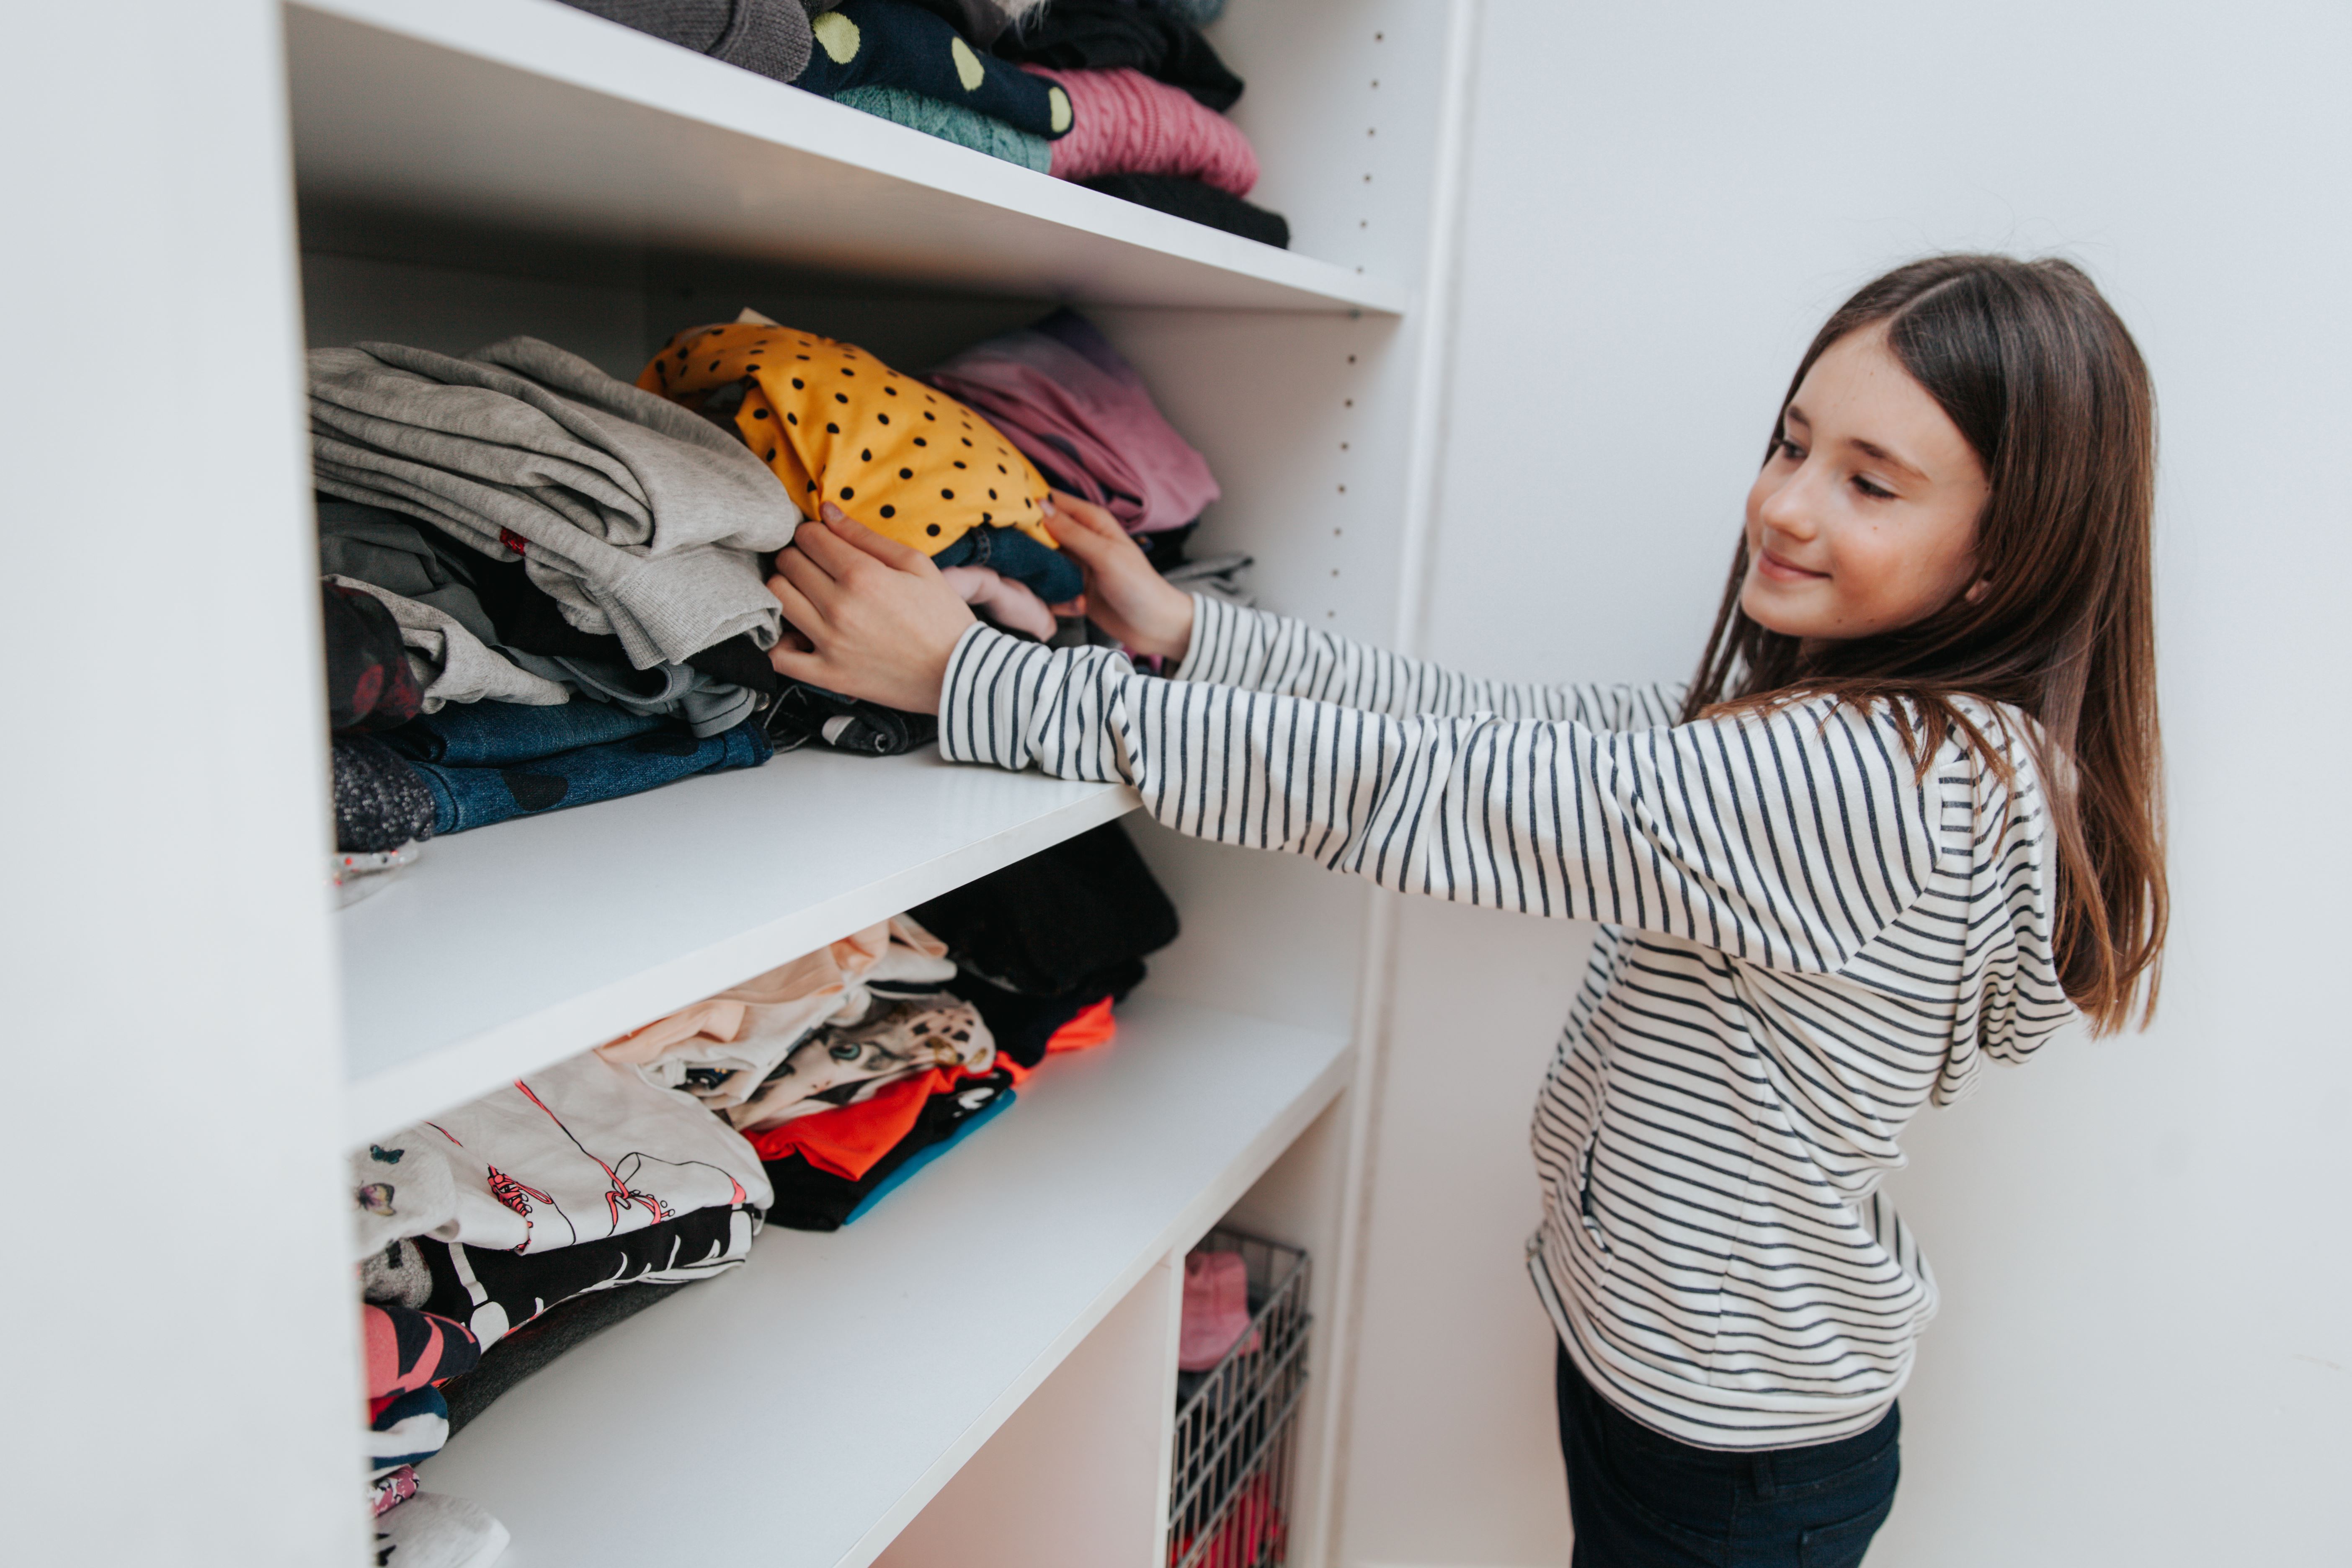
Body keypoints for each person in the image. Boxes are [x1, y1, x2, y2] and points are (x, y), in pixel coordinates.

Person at [758, 253, 2168, 1567]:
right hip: (1722, 1402)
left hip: (1726, 1445)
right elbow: (1499, 730)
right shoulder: (1894, 743)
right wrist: (1192, 636)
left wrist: (977, 682)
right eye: (1795, 443)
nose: (1786, 503)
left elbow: (1429, 791)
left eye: (1874, 483)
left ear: (2006, 557)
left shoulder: (1858, 779)